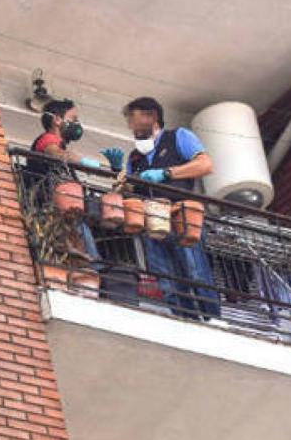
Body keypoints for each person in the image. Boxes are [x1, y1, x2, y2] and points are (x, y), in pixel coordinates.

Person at [113, 96, 220, 319]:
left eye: (134, 119)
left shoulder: (178, 137)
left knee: (194, 271)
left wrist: (167, 173)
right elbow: (132, 191)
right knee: (166, 278)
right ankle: (185, 319)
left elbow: (205, 164)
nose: (131, 126)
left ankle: (212, 319)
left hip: (181, 217)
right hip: (153, 223)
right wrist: (122, 181)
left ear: (152, 117)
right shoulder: (135, 157)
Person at [28, 99, 102, 264]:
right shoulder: (47, 139)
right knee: (86, 257)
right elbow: (55, 152)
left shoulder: (58, 144)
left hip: (66, 212)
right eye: (73, 119)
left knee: (83, 254)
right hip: (55, 211)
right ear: (57, 119)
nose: (76, 124)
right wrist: (83, 162)